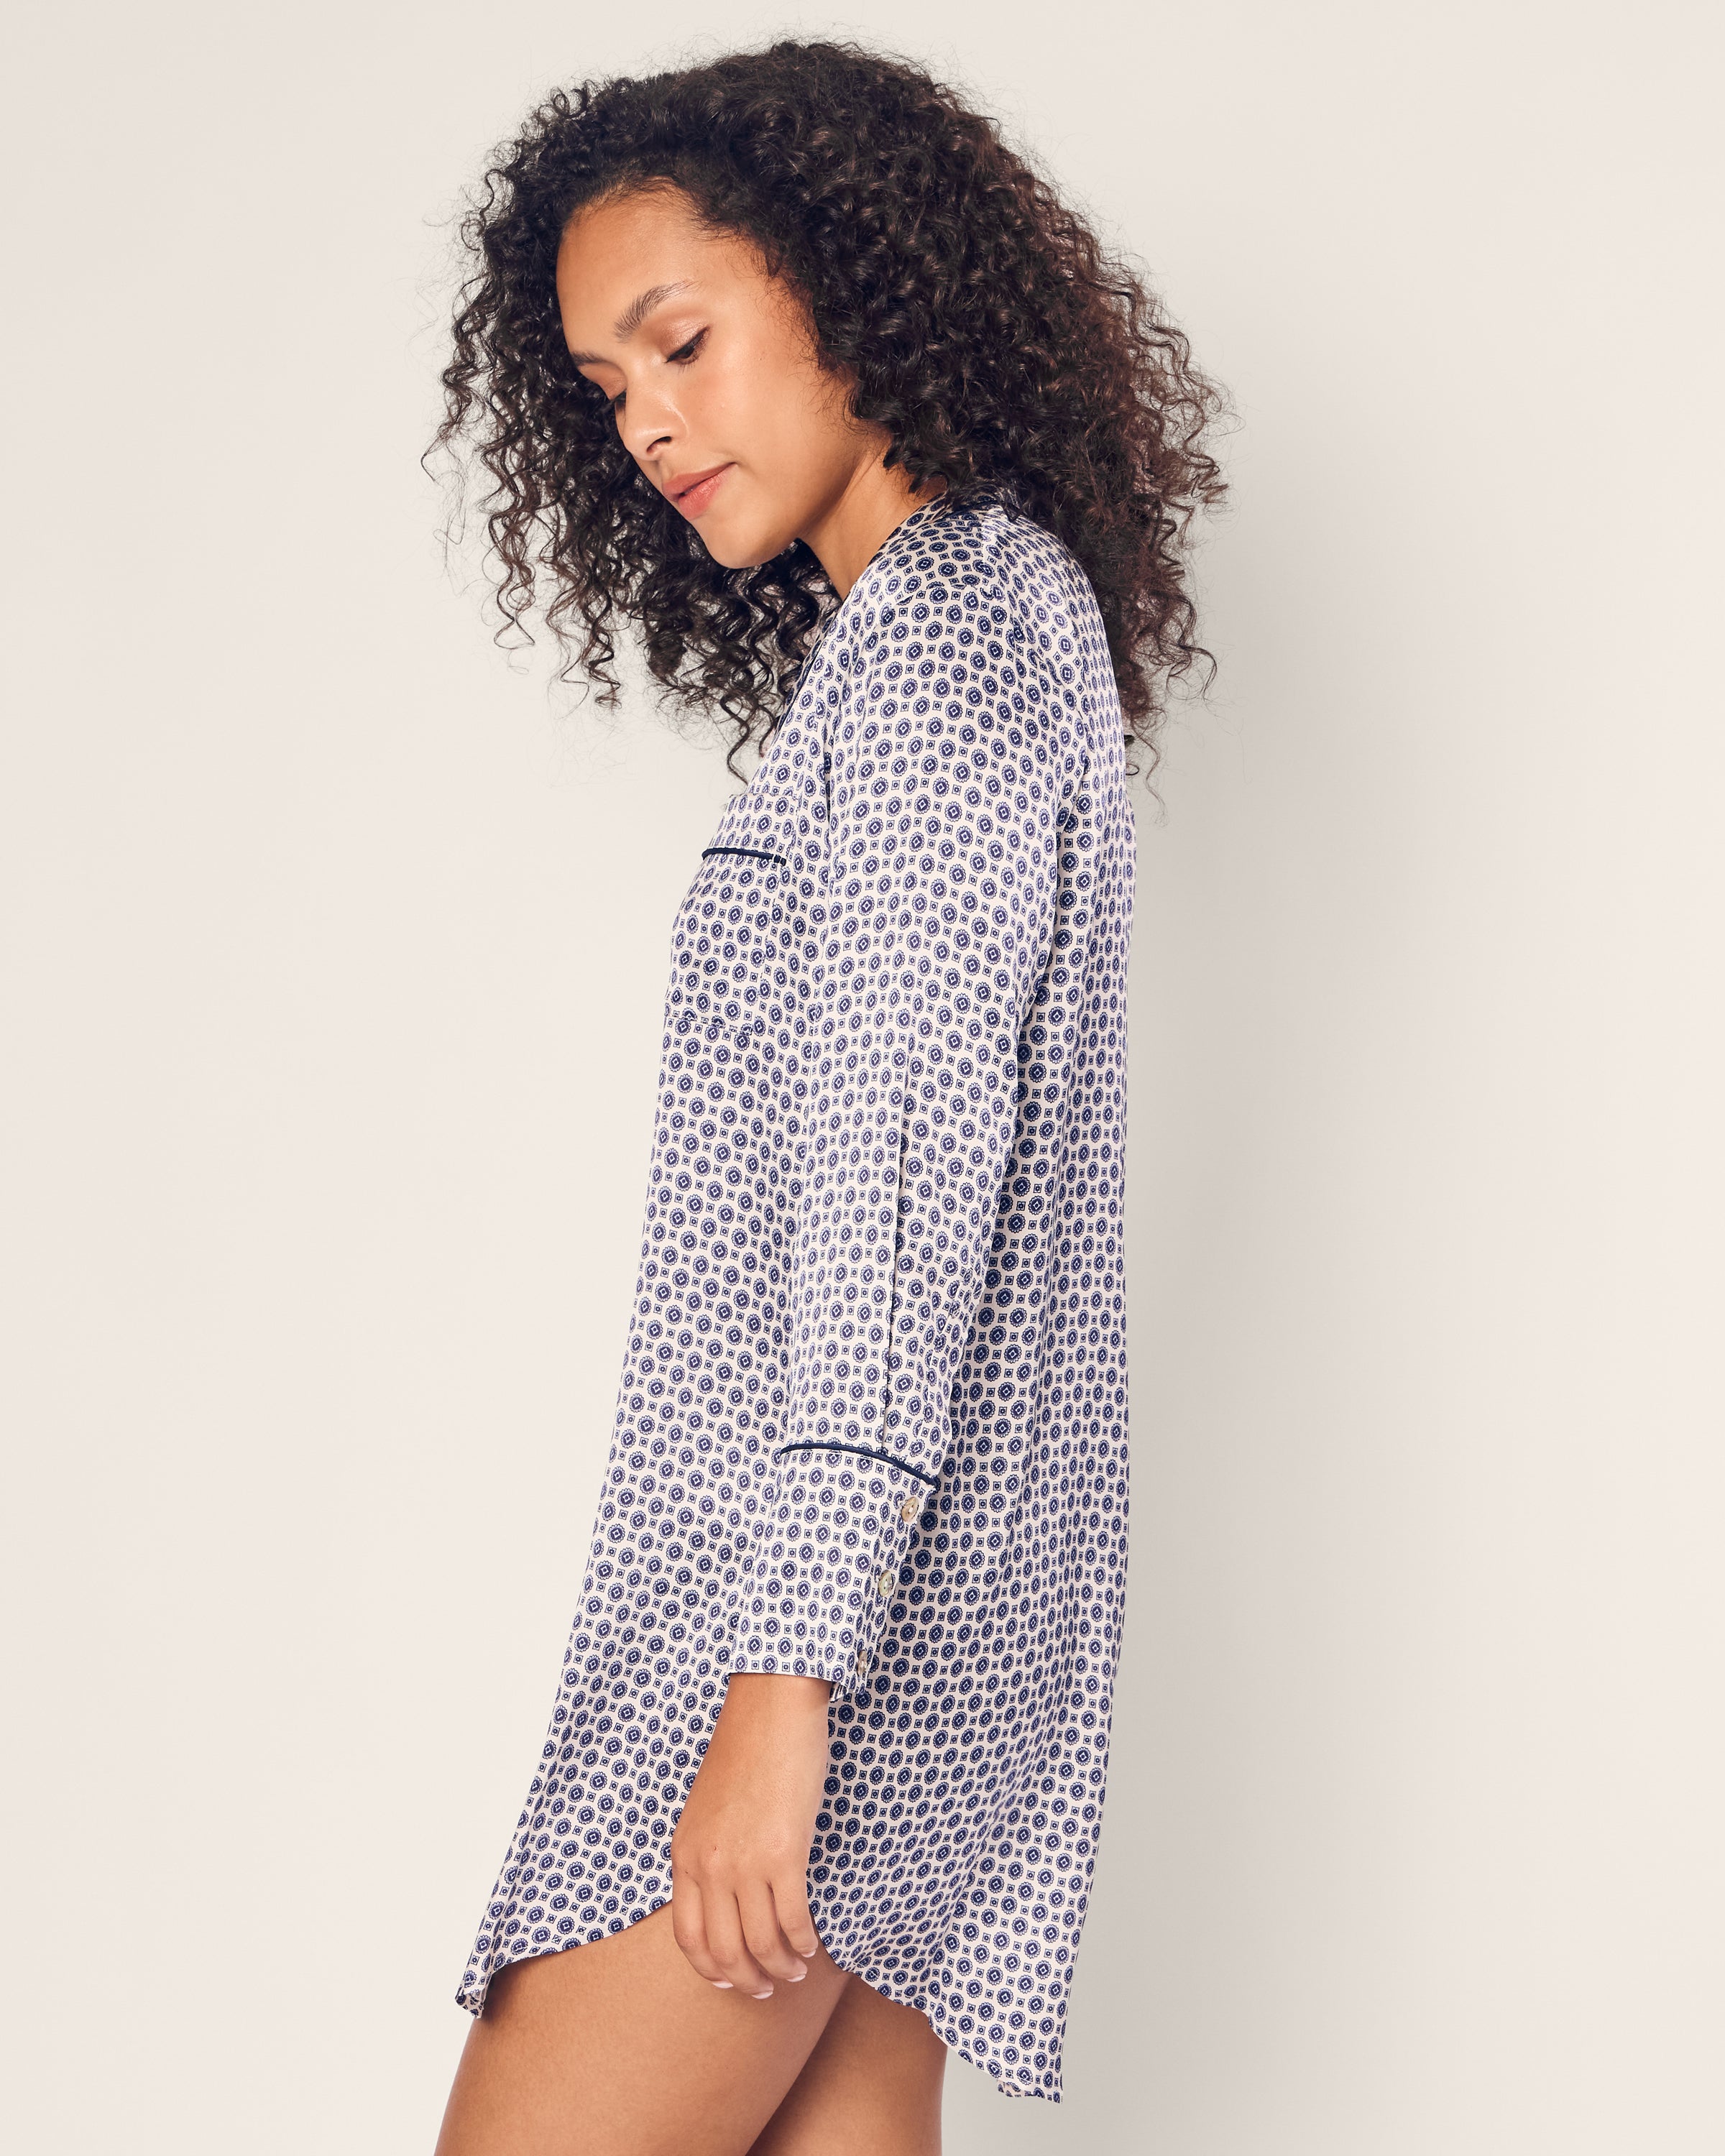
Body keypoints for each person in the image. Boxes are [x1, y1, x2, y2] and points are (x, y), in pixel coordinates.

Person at [428, 37, 1225, 2155]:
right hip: (936, 1624)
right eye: (607, 390)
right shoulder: (987, 623)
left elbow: (892, 1196)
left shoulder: (950, 643)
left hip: (806, 1629)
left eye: (679, 341)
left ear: (851, 290)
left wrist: (779, 1691)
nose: (652, 421)